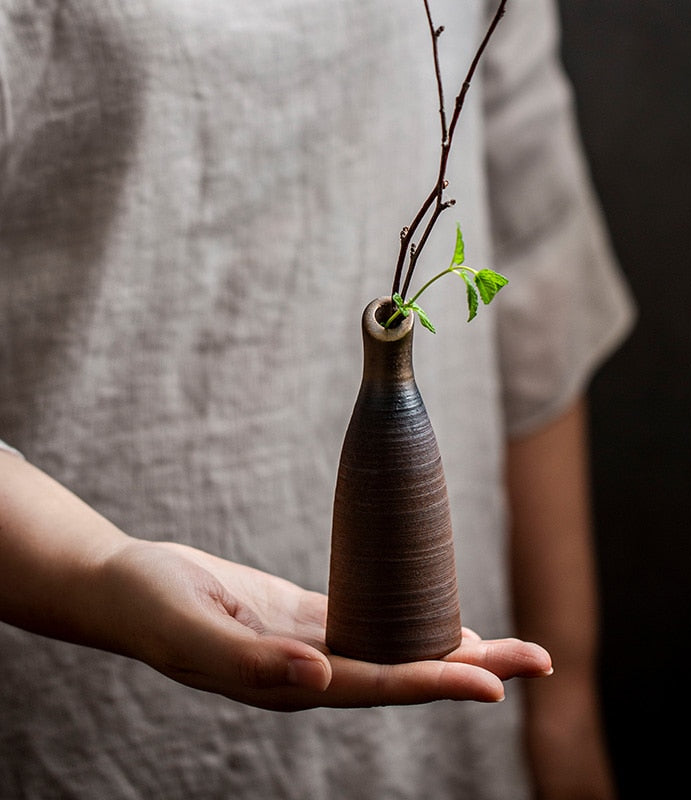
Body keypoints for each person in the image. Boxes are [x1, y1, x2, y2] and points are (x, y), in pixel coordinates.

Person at [0, 1, 634, 798]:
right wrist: (99, 569)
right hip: (92, 722)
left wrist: (565, 702)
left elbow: (537, 269)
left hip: (452, 737)